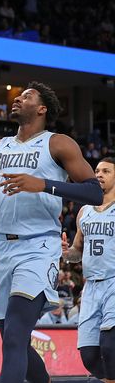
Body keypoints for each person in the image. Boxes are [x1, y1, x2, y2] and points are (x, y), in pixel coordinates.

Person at [0, 82, 102, 383]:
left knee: (14, 335)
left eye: (26, 97)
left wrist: (44, 184)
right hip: (1, 249)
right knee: (13, 339)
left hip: (38, 246)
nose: (17, 99)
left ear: (42, 109)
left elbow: (95, 192)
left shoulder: (58, 143)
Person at [62, 157, 115, 382]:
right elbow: (77, 251)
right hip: (91, 286)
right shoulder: (84, 211)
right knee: (89, 356)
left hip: (113, 281)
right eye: (96, 170)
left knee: (110, 348)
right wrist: (65, 252)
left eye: (106, 171)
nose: (99, 174)